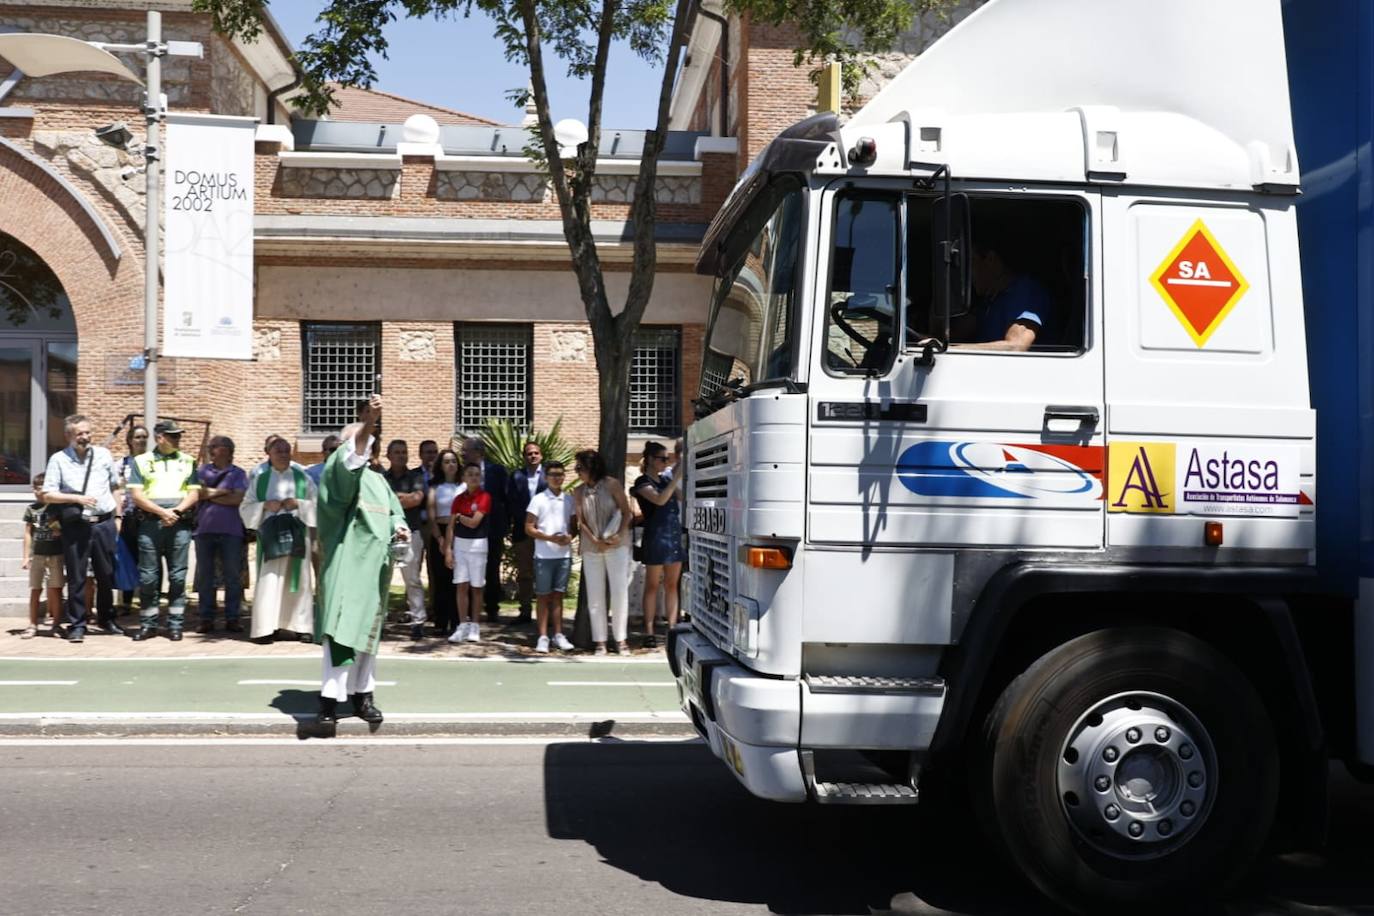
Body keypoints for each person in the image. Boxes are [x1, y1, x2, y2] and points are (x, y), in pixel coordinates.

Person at [315, 394, 408, 726]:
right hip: (346, 566)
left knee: (368, 636)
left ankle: (362, 697)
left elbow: (395, 514)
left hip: (375, 571)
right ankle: (329, 702)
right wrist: (371, 422)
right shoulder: (338, 471)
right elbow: (349, 463)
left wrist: (400, 530)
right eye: (359, 441)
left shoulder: (379, 480)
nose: (365, 447)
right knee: (341, 632)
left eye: (368, 442)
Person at [42, 413, 124, 643]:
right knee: (77, 576)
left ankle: (107, 619)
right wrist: (77, 499)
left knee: (106, 574)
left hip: (104, 523)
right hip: (76, 526)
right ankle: (77, 624)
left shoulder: (104, 455)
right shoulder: (58, 459)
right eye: (80, 434)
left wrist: (118, 516)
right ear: (68, 435)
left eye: (88, 432)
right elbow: (47, 493)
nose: (85, 437)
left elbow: (116, 486)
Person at [126, 420, 199, 641]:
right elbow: (137, 496)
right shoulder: (141, 461)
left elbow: (194, 494)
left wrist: (175, 511)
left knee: (178, 577)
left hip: (179, 523)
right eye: (173, 436)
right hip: (150, 524)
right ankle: (148, 624)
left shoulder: (188, 461)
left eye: (179, 436)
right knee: (148, 577)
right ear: (160, 438)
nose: (178, 439)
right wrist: (161, 513)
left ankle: (175, 624)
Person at [241, 436, 317, 644]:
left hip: (297, 534)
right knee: (269, 580)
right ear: (269, 454)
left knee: (299, 580)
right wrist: (264, 505)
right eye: (278, 451)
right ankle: (266, 628)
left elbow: (318, 505)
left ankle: (302, 627)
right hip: (271, 536)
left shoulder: (303, 477)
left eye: (286, 451)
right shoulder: (260, 479)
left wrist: (299, 503)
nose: (283, 454)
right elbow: (245, 507)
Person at [573, 449, 633, 655]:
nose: (577, 471)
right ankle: (600, 641)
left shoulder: (612, 484)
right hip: (592, 548)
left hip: (617, 545)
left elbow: (627, 512)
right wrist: (594, 541)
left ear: (592, 467)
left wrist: (618, 534)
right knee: (595, 596)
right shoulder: (578, 491)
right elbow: (581, 522)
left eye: (580, 467)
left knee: (619, 593)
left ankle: (621, 640)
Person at [959, 230, 1056, 351]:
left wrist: (953, 349)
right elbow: (957, 331)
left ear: (990, 259)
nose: (966, 274)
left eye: (971, 262)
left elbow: (1016, 346)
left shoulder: (1027, 291)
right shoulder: (990, 298)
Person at [632, 441, 685, 649]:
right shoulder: (643, 482)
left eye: (668, 458)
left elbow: (681, 496)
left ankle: (672, 627)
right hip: (655, 536)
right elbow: (660, 500)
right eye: (663, 458)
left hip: (672, 534)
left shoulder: (666, 479)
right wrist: (675, 478)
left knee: (672, 585)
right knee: (652, 585)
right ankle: (649, 630)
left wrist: (681, 468)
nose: (666, 462)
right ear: (652, 460)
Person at [193, 436, 247, 634]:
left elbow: (238, 499)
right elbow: (197, 494)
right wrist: (223, 491)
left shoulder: (238, 473)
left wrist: (211, 494)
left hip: (231, 531)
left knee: (232, 576)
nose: (212, 450)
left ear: (227, 450)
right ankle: (206, 618)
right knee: (206, 577)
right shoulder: (201, 471)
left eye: (215, 447)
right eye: (212, 447)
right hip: (204, 530)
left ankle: (232, 618)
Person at [524, 460, 575, 654]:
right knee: (543, 597)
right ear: (546, 477)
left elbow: (574, 526)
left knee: (558, 596)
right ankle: (543, 636)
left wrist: (570, 537)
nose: (557, 478)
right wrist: (549, 538)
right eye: (553, 474)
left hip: (563, 555)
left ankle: (559, 634)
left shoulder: (568, 499)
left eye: (560, 474)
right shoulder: (538, 499)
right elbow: (528, 527)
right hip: (544, 555)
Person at [382, 439, 427, 639]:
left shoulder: (416, 476)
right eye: (397, 452)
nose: (401, 455)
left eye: (404, 452)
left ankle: (418, 621)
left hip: (411, 532)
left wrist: (392, 498)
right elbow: (380, 502)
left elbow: (416, 499)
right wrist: (402, 498)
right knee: (383, 579)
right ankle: (379, 620)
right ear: (388, 456)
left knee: (413, 579)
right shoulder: (381, 478)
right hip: (385, 533)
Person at [461, 437, 508, 623]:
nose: (463, 454)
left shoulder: (497, 471)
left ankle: (492, 608)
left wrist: (505, 525)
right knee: (470, 568)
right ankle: (472, 609)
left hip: (492, 528)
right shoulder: (461, 472)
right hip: (467, 529)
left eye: (467, 450)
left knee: (492, 569)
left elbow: (505, 498)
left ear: (479, 452)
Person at [444, 462, 489, 644]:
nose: (473, 477)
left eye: (477, 474)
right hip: (460, 546)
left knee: (476, 587)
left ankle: (475, 625)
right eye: (470, 474)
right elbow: (451, 526)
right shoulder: (458, 499)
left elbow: (474, 522)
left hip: (478, 545)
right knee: (461, 585)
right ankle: (462, 625)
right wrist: (448, 549)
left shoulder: (484, 497)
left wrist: (460, 517)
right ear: (463, 478)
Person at [425, 448, 463, 638]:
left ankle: (457, 621)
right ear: (441, 465)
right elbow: (431, 516)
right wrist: (440, 539)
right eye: (446, 461)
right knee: (440, 580)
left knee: (458, 580)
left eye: (453, 461)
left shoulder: (463, 486)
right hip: (439, 533)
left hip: (460, 535)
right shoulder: (434, 487)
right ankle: (441, 621)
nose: (450, 465)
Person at [20, 473, 64, 639]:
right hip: (37, 555)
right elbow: (28, 533)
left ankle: (56, 625)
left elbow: (62, 531)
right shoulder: (32, 509)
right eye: (36, 488)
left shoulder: (57, 508)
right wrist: (26, 557)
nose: (38, 492)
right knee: (35, 589)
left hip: (55, 554)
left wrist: (58, 530)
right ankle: (32, 624)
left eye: (41, 488)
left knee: (55, 589)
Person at [507, 440, 546, 626]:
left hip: (545, 533)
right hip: (523, 531)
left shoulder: (549, 476)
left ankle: (545, 613)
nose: (533, 456)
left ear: (541, 455)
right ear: (524, 457)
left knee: (544, 573)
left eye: (536, 453)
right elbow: (510, 503)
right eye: (529, 453)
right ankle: (525, 611)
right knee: (525, 573)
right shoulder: (516, 476)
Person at [117, 424, 149, 612]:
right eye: (137, 437)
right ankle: (126, 602)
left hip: (149, 515)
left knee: (149, 559)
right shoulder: (122, 464)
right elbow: (117, 489)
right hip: (129, 516)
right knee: (128, 558)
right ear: (129, 441)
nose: (141, 440)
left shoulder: (153, 463)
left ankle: (148, 600)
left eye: (144, 437)